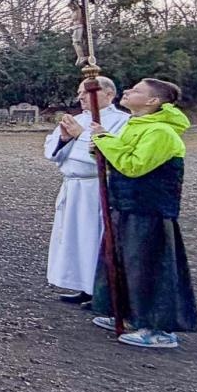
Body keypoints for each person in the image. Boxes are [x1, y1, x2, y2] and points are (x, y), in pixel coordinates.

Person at [89, 78, 197, 350]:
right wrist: (102, 148)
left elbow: (134, 166)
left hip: (149, 210)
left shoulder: (161, 132)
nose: (126, 91)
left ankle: (158, 327)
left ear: (153, 101)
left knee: (148, 266)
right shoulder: (136, 126)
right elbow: (121, 157)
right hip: (127, 205)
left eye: (136, 90)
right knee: (124, 260)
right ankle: (129, 313)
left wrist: (105, 141)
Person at [44, 76, 129, 304]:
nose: (80, 97)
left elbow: (109, 155)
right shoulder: (77, 119)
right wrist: (63, 139)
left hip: (97, 186)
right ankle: (83, 285)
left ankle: (102, 291)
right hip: (73, 187)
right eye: (79, 92)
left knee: (95, 236)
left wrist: (81, 136)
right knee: (75, 238)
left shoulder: (123, 121)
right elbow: (51, 150)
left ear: (109, 95)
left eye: (87, 92)